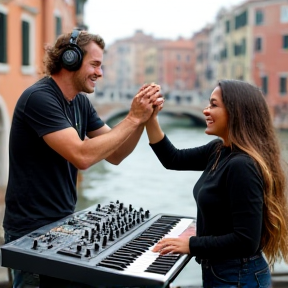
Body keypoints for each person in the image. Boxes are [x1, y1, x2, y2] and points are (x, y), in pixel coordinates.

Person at [3, 29, 163, 288]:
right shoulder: (39, 98)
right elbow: (82, 156)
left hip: (64, 223)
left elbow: (116, 154)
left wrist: (143, 120)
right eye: (95, 65)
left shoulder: (80, 102)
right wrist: (132, 118)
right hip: (29, 231)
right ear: (70, 60)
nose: (100, 73)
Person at [146, 79, 288, 288]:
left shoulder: (242, 166)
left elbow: (246, 240)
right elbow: (172, 159)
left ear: (235, 111)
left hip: (238, 277)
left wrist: (191, 244)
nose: (205, 110)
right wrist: (150, 118)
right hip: (226, 273)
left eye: (213, 105)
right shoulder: (219, 150)